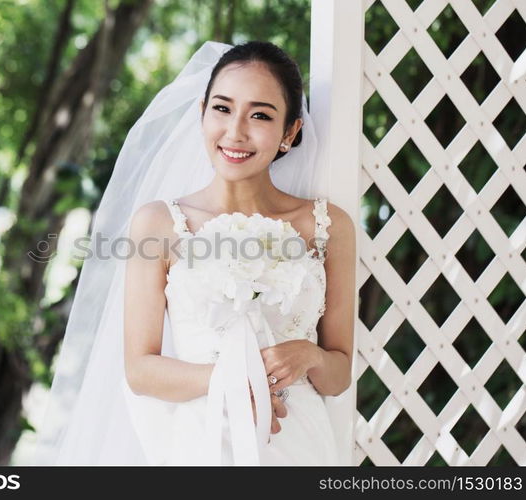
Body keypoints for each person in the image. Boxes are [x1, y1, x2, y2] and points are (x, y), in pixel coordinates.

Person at [33, 40, 356, 466]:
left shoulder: (327, 225)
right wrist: (230, 382)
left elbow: (337, 375)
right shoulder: (159, 223)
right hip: (203, 440)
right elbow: (140, 369)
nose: (236, 131)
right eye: (222, 108)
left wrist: (311, 355)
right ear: (202, 112)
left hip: (299, 441)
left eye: (260, 115)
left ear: (290, 132)